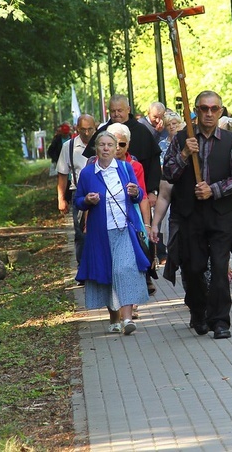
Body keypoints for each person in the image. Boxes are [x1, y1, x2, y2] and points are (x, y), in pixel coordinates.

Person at [163, 90, 232, 340]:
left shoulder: (231, 141)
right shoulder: (181, 139)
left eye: (213, 109)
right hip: (190, 214)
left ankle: (220, 320)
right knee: (193, 267)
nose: (209, 113)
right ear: (196, 112)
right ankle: (198, 312)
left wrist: (214, 189)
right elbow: (168, 173)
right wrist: (184, 155)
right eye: (203, 108)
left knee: (220, 267)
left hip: (220, 213)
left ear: (220, 111)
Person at [74, 131, 151, 335]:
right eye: (102, 145)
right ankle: (114, 317)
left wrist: (136, 193)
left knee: (124, 270)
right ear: (96, 149)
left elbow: (138, 195)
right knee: (107, 273)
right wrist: (87, 201)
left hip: (124, 229)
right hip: (100, 232)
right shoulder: (88, 173)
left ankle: (127, 320)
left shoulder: (125, 168)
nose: (106, 148)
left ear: (116, 148)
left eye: (110, 145)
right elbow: (78, 201)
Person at [106, 122, 158, 295]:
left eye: (122, 144)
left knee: (130, 260)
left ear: (128, 144)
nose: (118, 148)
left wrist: (147, 225)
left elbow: (142, 196)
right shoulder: (97, 165)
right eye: (114, 143)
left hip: (131, 217)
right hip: (107, 218)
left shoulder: (135, 166)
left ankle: (131, 302)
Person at [84, 95, 162, 208]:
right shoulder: (102, 132)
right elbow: (91, 164)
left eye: (120, 110)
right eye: (113, 111)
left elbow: (153, 163)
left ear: (128, 110)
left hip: (139, 194)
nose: (116, 114)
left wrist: (153, 191)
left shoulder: (142, 131)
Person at [57, 114, 97, 264]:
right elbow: (62, 174)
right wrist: (61, 198)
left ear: (96, 127)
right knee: (81, 232)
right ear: (77, 129)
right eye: (83, 130)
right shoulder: (69, 146)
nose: (87, 133)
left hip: (101, 191)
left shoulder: (101, 143)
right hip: (79, 193)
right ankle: (83, 266)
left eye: (90, 129)